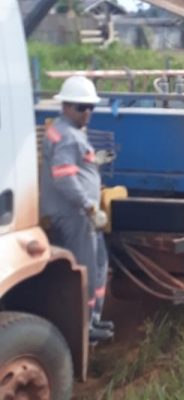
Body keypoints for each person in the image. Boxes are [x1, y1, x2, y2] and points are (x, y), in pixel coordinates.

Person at [40, 75, 114, 344]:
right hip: (76, 214)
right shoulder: (69, 136)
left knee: (99, 263)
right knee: (86, 268)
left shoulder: (64, 130)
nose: (88, 113)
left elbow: (72, 168)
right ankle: (85, 326)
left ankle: (92, 319)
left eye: (91, 107)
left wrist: (94, 162)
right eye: (82, 108)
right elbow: (64, 177)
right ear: (67, 107)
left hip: (78, 214)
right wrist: (88, 205)